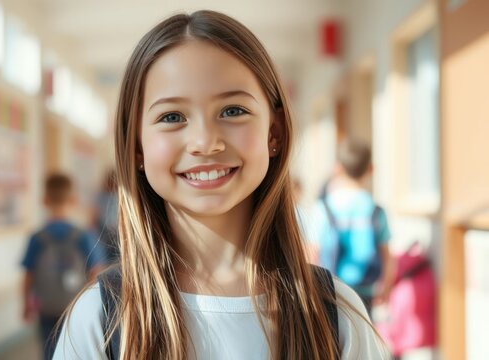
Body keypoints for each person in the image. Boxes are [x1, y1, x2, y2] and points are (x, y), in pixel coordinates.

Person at [55, 10, 389, 359]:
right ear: (137, 146)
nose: (204, 141)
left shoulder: (334, 315)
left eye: (232, 111)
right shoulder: (99, 318)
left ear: (273, 133)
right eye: (172, 117)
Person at [21, 173, 106, 360]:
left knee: (48, 349)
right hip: (74, 305)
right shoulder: (83, 236)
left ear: (44, 200)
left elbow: (28, 274)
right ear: (73, 200)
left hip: (46, 306)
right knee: (74, 348)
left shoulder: (37, 238)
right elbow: (95, 272)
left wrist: (25, 304)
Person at [313, 138, 395, 316]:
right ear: (371, 169)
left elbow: (312, 253)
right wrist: (386, 289)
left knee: (332, 341)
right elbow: (387, 257)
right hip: (365, 291)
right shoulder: (376, 210)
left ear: (337, 168)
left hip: (331, 289)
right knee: (363, 339)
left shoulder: (324, 208)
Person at [94, 169, 120, 263]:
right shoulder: (101, 196)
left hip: (116, 231)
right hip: (103, 230)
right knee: (104, 254)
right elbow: (96, 213)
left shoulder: (119, 196)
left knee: (116, 254)